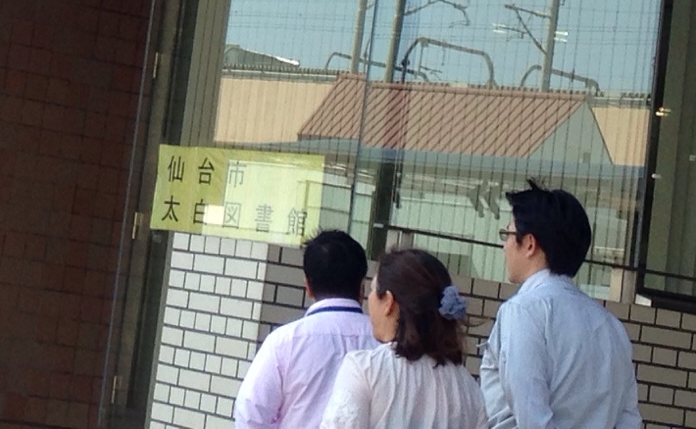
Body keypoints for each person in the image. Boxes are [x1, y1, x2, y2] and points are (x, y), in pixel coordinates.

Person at [481, 181, 640, 429]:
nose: (505, 245)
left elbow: (531, 417)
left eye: (508, 234)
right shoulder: (612, 327)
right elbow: (629, 419)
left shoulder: (523, 311)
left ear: (530, 244)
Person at [319, 248, 486, 429]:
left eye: (373, 289)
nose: (369, 299)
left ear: (388, 301)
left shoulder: (365, 369)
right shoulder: (469, 388)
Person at [235, 230, 376, 428]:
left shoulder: (284, 341)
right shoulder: (386, 342)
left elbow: (250, 416)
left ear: (307, 286)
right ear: (362, 287)